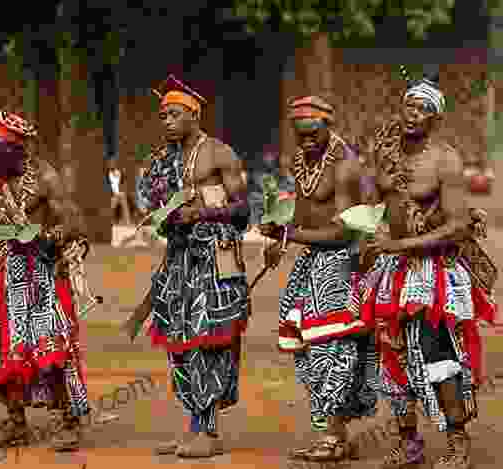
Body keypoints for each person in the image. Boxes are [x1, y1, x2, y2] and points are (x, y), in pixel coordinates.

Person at [358, 73, 498, 469]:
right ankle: (409, 442)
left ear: (435, 118)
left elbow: (456, 226)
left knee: (437, 355)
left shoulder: (445, 159)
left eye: (423, 109)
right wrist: (370, 238)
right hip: (392, 268)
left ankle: (458, 443)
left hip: (433, 271)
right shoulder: (385, 154)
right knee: (392, 356)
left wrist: (398, 245)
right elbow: (372, 206)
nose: (413, 114)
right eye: (409, 105)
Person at [0, 111, 91, 451]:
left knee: (51, 347)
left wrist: (47, 237)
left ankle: (67, 421)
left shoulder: (46, 177)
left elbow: (75, 223)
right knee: (3, 349)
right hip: (4, 271)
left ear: (18, 149)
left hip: (42, 273)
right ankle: (16, 421)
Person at [135, 75, 250, 458]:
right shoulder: (164, 161)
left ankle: (210, 432)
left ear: (193, 114)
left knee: (209, 340)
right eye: (162, 115)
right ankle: (194, 427)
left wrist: (202, 212)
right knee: (180, 344)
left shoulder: (219, 154)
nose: (165, 121)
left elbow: (243, 211)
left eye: (173, 114)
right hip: (180, 259)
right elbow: (155, 207)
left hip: (216, 260)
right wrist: (162, 216)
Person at [259, 96, 377, 462]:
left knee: (333, 344)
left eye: (313, 132)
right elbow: (306, 211)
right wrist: (278, 227)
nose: (306, 138)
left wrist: (288, 235)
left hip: (342, 263)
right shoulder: (301, 160)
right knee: (306, 345)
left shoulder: (344, 165)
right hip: (313, 260)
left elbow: (343, 232)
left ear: (329, 125)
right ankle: (335, 434)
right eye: (299, 132)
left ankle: (334, 436)